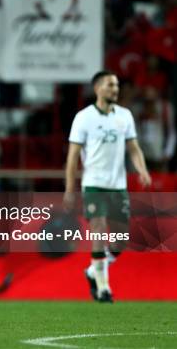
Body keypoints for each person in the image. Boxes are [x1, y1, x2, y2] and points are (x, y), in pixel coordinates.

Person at [64, 70, 151, 303]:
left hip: (118, 186)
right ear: (98, 88)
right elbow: (73, 156)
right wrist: (69, 188)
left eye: (117, 85)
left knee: (121, 239)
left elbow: (133, 148)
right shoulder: (83, 118)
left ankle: (93, 270)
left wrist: (141, 169)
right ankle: (103, 288)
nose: (116, 89)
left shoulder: (125, 116)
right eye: (111, 85)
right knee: (99, 230)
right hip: (94, 185)